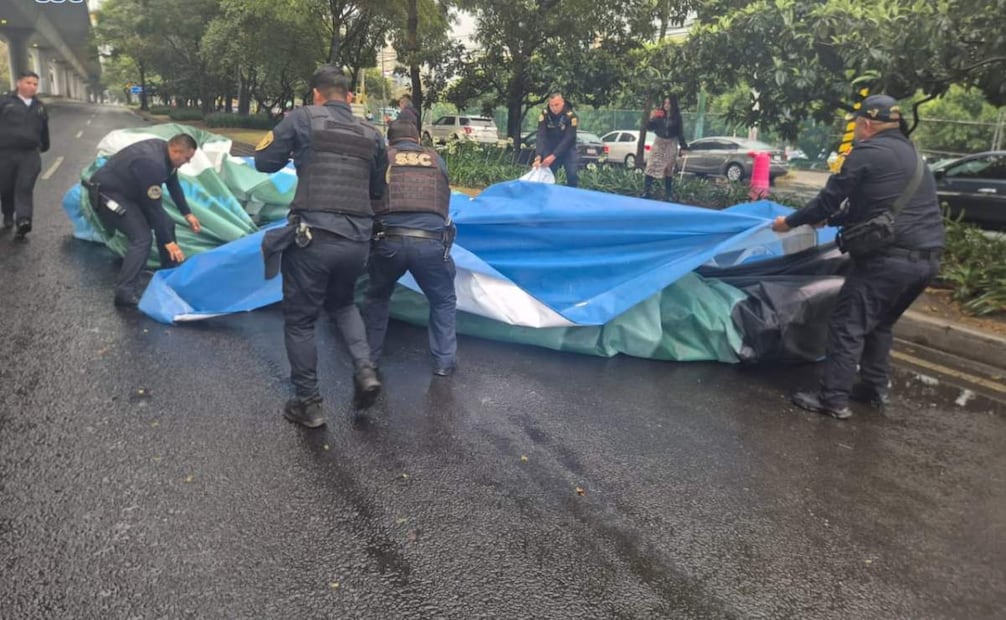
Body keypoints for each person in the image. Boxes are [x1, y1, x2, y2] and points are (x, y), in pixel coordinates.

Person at [771, 95, 945, 420]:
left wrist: (789, 222)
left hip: (889, 260)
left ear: (865, 124)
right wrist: (830, 220)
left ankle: (833, 399)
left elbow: (828, 200)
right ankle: (873, 389)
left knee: (848, 324)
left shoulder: (867, 152)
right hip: (928, 260)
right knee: (880, 324)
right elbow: (873, 207)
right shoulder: (913, 155)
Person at [256, 66, 387, 429]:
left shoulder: (302, 119)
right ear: (349, 96)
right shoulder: (372, 134)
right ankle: (365, 369)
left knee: (300, 321)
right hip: (357, 240)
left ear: (316, 94)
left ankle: (308, 404)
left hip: (313, 236)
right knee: (344, 304)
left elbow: (263, 161)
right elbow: (378, 191)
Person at [362, 119, 457, 377]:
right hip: (431, 243)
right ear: (418, 139)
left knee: (378, 297)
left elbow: (369, 196)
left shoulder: (383, 159)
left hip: (387, 241)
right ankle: (444, 362)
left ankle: (369, 361)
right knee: (443, 300)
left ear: (389, 141)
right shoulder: (437, 160)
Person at [86, 134, 201, 307]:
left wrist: (187, 213)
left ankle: (169, 275)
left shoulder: (167, 154)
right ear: (176, 151)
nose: (188, 162)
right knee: (142, 238)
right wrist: (169, 242)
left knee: (167, 224)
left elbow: (173, 184)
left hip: (130, 193)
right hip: (108, 194)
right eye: (187, 158)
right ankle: (124, 293)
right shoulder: (152, 163)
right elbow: (153, 206)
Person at [0, 71, 50, 239]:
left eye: (35, 84)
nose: (32, 86)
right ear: (18, 83)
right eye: (28, 83)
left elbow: (44, 129)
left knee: (24, 187)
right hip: (5, 153)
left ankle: (23, 220)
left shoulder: (39, 106)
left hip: (30, 154)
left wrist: (44, 145)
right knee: (6, 187)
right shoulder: (5, 102)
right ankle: (8, 214)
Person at [644, 95, 688, 200]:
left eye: (669, 103)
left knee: (668, 167)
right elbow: (650, 128)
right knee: (652, 164)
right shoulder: (659, 114)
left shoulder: (677, 116)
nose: (666, 105)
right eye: (665, 103)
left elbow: (680, 132)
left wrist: (683, 146)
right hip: (659, 142)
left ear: (673, 105)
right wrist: (650, 118)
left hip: (671, 142)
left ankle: (668, 194)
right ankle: (647, 191)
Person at [533, 92, 579, 187]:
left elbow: (569, 138)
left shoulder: (570, 116)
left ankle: (571, 196)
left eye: (557, 105)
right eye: (551, 105)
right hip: (550, 148)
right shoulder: (545, 114)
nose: (554, 108)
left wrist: (554, 156)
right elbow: (541, 135)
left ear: (562, 102)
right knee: (546, 174)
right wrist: (538, 156)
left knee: (572, 174)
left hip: (567, 149)